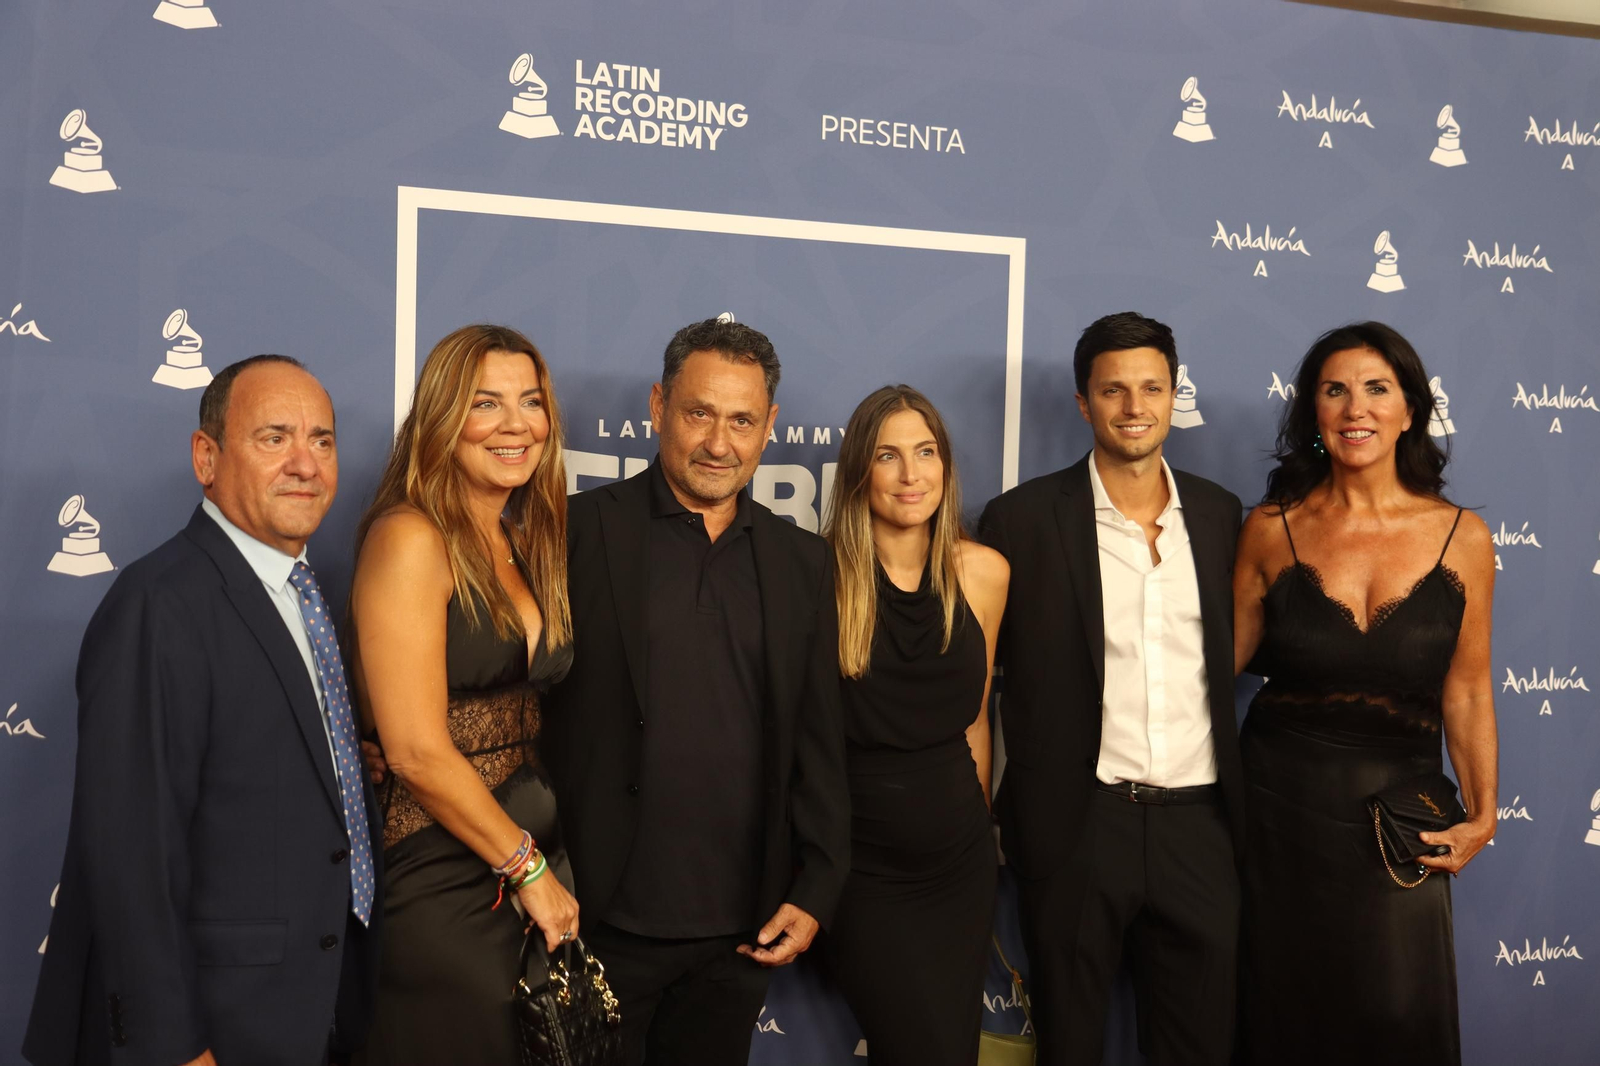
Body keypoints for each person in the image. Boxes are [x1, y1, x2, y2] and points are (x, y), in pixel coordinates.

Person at [23, 355, 383, 1066]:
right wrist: (175, 1047)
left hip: (312, 1006)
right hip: (212, 1028)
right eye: (274, 438)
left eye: (322, 440)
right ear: (206, 457)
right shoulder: (160, 604)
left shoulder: (306, 597)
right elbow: (131, 857)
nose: (305, 464)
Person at [540, 317, 849, 1066]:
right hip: (591, 920)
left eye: (742, 419)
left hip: (739, 932)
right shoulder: (574, 531)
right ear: (658, 406)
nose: (719, 442)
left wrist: (818, 887)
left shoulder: (801, 562)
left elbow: (820, 743)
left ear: (770, 426)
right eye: (699, 413)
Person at [977, 312, 1245, 1066]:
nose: (1134, 406)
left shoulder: (1224, 518)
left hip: (1202, 826)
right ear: (1082, 401)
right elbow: (979, 688)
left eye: (1152, 387)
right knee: (1068, 1045)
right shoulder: (1021, 521)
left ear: (1173, 394)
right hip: (1077, 825)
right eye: (1114, 390)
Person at [1231, 322, 1496, 1066]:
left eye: (1378, 389)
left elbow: (1469, 689)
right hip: (1276, 813)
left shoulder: (1462, 537)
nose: (1357, 408)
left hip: (1398, 821)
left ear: (1410, 409)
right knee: (1281, 1019)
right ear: (1313, 412)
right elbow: (1211, 671)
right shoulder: (1269, 530)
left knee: (1398, 1021)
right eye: (1335, 390)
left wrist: (1484, 813)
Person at [348, 325, 580, 1065]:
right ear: (444, 419)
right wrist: (529, 870)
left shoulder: (522, 534)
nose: (517, 425)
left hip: (529, 848)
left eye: (531, 401)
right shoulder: (411, 537)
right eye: (487, 403)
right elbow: (414, 748)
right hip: (446, 872)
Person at [819, 385, 1007, 1066]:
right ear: (858, 473)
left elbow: (977, 719)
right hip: (864, 871)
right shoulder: (820, 580)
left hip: (959, 866)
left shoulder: (983, 574)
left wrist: (980, 827)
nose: (910, 474)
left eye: (925, 453)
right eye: (888, 456)